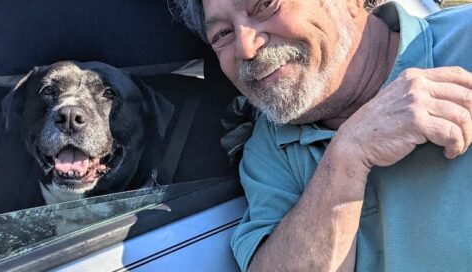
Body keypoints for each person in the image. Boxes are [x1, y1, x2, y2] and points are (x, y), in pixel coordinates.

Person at [173, 0, 472, 271]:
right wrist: (347, 156)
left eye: (266, 5)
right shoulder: (269, 147)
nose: (246, 48)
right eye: (222, 34)